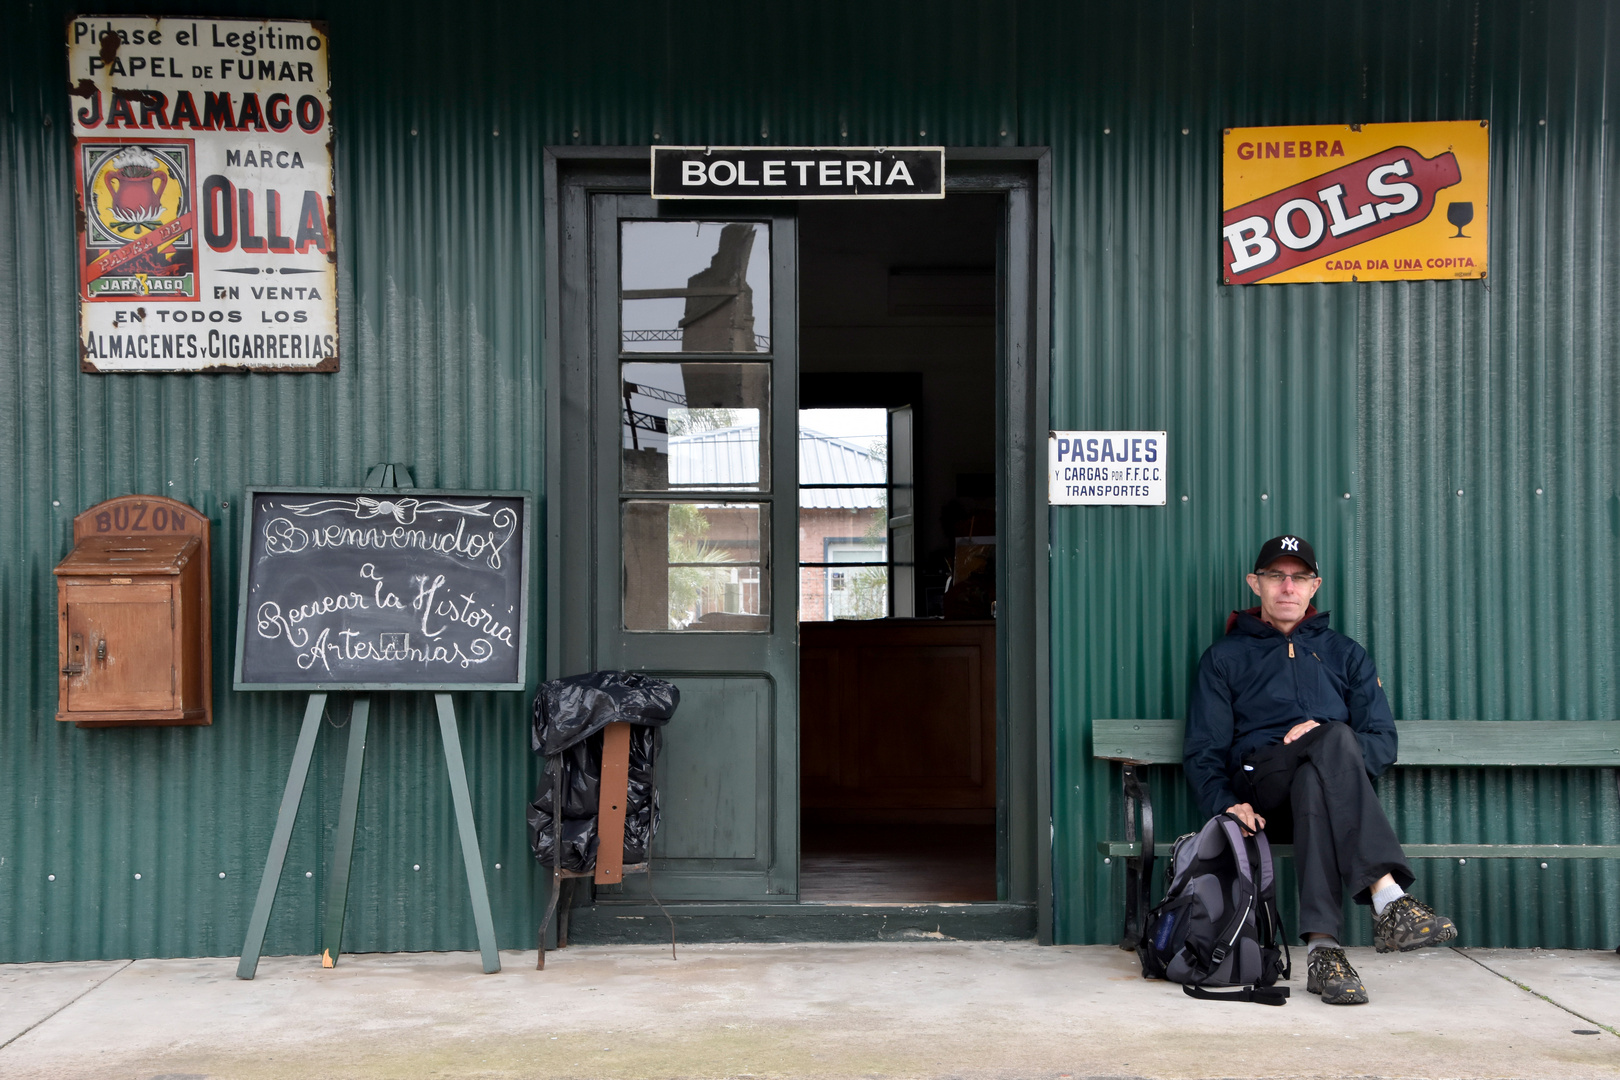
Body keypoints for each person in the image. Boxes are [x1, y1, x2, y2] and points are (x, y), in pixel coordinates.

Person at [1183, 535, 1457, 1005]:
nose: (1288, 587)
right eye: (1276, 576)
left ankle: (1323, 953)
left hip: (1326, 799)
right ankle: (1387, 895)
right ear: (1256, 584)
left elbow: (1382, 741)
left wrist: (1325, 742)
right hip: (1263, 788)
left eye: (1300, 578)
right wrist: (1226, 803)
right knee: (1333, 736)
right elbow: (1204, 748)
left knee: (1320, 768)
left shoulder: (1344, 654)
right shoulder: (1225, 658)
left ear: (1315, 588)